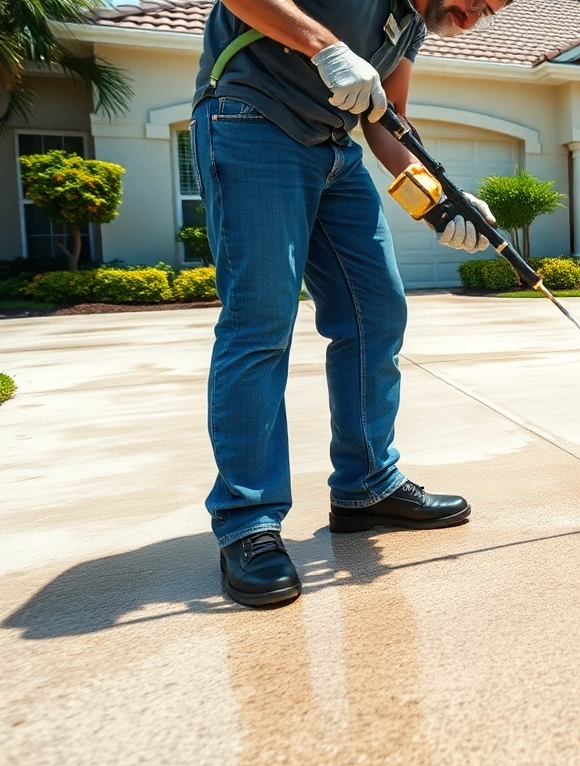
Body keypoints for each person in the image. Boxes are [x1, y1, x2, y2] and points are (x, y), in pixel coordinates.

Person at [191, 0, 512, 607]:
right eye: (476, 1)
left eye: (486, 14)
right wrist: (326, 47)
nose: (471, 18)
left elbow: (388, 119)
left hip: (333, 149)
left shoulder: (411, 25)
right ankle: (247, 520)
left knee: (377, 312)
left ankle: (367, 486)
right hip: (250, 120)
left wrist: (442, 203)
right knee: (261, 324)